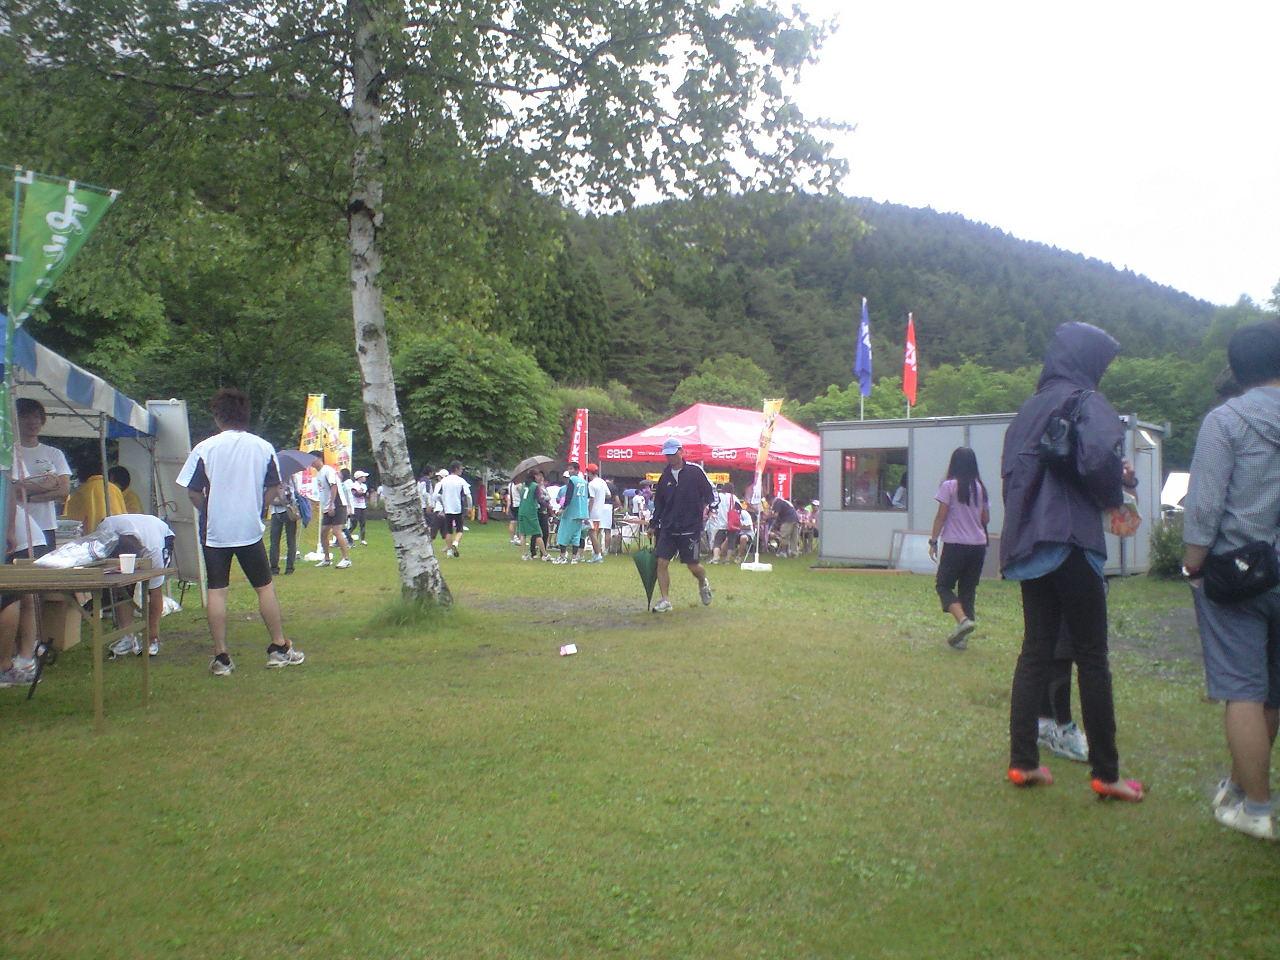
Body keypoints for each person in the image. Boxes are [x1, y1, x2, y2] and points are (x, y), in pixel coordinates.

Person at [1000, 321, 1143, 801]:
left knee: (1035, 651)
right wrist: (1116, 489)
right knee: (1092, 657)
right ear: (1088, 361)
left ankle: (1024, 762)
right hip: (1072, 537)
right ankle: (1107, 773)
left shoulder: (1027, 410)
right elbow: (1098, 458)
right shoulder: (1087, 400)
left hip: (1030, 542)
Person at [1182, 321, 1280, 841]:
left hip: (1239, 576)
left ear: (1238, 369)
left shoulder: (1227, 420)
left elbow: (1204, 506)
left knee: (1242, 690)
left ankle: (1258, 810)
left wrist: (1192, 564)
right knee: (1273, 694)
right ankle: (1242, 789)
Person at [177, 388, 303, 675]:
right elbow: (274, 487)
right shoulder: (263, 447)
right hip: (249, 529)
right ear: (246, 415)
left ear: (217, 416)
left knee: (217, 591)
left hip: (215, 531)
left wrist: (208, 510)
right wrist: (258, 507)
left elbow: (193, 491)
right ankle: (278, 647)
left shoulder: (205, 448)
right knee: (264, 587)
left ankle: (221, 657)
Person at [928, 448, 989, 650]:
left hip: (955, 544)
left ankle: (963, 621)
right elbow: (985, 518)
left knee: (943, 585)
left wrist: (933, 541)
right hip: (978, 545)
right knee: (967, 590)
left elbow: (941, 516)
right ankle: (962, 638)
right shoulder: (980, 488)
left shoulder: (949, 486)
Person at [650, 438, 716, 612]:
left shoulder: (695, 472)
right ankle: (665, 600)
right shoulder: (664, 477)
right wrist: (653, 523)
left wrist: (710, 507)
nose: (670, 458)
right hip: (668, 527)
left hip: (690, 527)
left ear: (681, 451)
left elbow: (710, 493)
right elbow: (659, 503)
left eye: (673, 454)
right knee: (661, 562)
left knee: (693, 566)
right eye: (667, 455)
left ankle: (703, 582)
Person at [98, 513, 176, 658]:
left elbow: (155, 592)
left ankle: (152, 638)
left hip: (160, 535)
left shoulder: (153, 550)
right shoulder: (105, 529)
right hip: (133, 537)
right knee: (121, 586)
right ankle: (127, 636)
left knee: (153, 589)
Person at [12, 398, 71, 548]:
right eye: (26, 417)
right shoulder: (9, 453)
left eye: (36, 417)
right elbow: (13, 490)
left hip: (46, 525)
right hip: (17, 525)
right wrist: (49, 485)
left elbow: (64, 490)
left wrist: (29, 496)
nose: (32, 422)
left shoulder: (54, 453)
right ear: (15, 420)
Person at [309, 453, 352, 569]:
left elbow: (334, 486)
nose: (311, 463)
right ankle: (327, 559)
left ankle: (346, 559)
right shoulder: (319, 474)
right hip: (327, 507)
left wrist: (332, 504)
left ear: (319, 459)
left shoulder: (327, 470)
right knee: (323, 533)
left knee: (336, 531)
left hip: (337, 504)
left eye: (312, 459)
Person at [63, 461, 127, 533]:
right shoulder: (115, 489)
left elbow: (74, 521)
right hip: (116, 533)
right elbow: (123, 513)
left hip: (93, 536)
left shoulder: (82, 491)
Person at [553, 463, 590, 564]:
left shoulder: (572, 480)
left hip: (571, 511)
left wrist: (563, 508)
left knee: (563, 534)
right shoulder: (584, 482)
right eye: (569, 469)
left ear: (577, 470)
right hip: (581, 512)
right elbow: (587, 497)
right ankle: (574, 557)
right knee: (576, 535)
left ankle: (562, 556)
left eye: (571, 469)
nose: (569, 471)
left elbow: (569, 496)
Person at [268, 473, 302, 576]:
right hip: (288, 511)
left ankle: (275, 569)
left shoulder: (274, 479)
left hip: (279, 512)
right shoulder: (291, 478)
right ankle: (288, 568)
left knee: (276, 541)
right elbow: (296, 494)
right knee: (289, 541)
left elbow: (270, 499)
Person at [437, 461, 472, 558]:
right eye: (461, 469)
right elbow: (468, 495)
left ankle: (449, 551)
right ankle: (455, 543)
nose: (462, 471)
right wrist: (470, 507)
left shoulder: (444, 480)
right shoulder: (461, 480)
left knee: (448, 530)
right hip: (458, 508)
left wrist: (442, 503)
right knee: (459, 529)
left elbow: (437, 495)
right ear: (456, 469)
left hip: (447, 508)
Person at [516, 470, 549, 560]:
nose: (539, 477)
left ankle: (524, 555)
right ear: (534, 476)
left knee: (523, 533)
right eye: (537, 475)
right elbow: (539, 499)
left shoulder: (524, 485)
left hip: (522, 510)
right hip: (531, 511)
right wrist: (547, 505)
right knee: (537, 533)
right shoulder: (535, 486)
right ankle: (545, 555)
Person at [585, 463, 612, 563]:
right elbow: (608, 495)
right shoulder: (602, 482)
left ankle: (597, 554)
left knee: (592, 534)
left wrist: (587, 512)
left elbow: (591, 499)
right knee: (595, 533)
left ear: (589, 473)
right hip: (600, 511)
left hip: (593, 512)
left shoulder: (591, 484)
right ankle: (597, 554)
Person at [765, 493, 800, 558]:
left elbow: (776, 515)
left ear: (770, 499)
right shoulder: (784, 501)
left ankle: (783, 552)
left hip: (787, 520)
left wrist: (767, 517)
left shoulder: (777, 502)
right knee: (794, 537)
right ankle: (794, 553)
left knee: (784, 536)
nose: (769, 504)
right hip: (796, 519)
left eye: (768, 502)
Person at [348, 470, 369, 543]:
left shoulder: (364, 486)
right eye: (363, 477)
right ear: (359, 477)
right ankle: (347, 536)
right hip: (355, 506)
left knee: (363, 523)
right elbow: (356, 494)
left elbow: (365, 494)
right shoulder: (354, 485)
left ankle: (363, 539)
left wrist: (362, 493)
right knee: (354, 524)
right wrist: (362, 493)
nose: (365, 478)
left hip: (362, 506)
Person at [506, 476, 524, 546]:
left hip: (512, 504)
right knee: (520, 522)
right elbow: (522, 494)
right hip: (518, 504)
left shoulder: (510, 485)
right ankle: (519, 538)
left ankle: (512, 538)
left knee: (512, 522)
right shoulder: (518, 484)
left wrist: (508, 507)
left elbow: (509, 496)